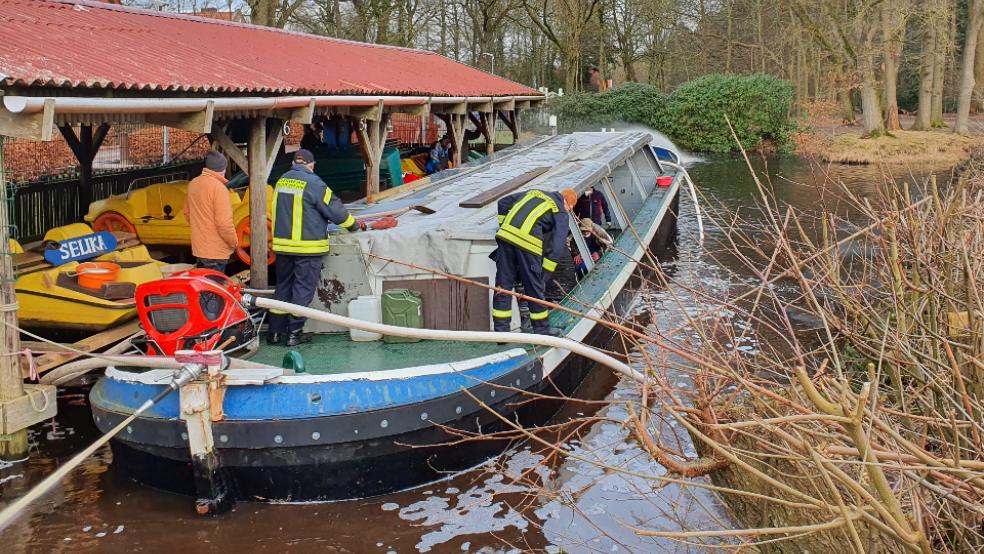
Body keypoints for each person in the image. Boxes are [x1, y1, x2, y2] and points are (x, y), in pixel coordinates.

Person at [267, 148, 366, 347]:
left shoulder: (281, 181)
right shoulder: (314, 183)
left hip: (283, 247)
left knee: (283, 288)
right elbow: (336, 211)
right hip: (307, 248)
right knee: (302, 290)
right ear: (311, 165)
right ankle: (294, 334)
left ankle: (275, 332)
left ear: (294, 163)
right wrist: (354, 225)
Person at [492, 187, 577, 336]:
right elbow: (557, 247)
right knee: (534, 287)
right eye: (570, 209)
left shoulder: (534, 193)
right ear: (568, 205)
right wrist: (544, 276)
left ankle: (501, 332)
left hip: (505, 237)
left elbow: (503, 203)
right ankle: (542, 330)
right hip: (528, 244)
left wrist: (504, 225)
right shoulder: (560, 211)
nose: (568, 211)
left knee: (503, 285)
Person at [184, 151, 238, 273]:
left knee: (203, 283)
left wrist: (201, 229)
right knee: (215, 284)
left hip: (199, 249)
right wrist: (234, 243)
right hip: (216, 252)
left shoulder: (193, 184)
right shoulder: (219, 188)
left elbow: (187, 213)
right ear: (223, 169)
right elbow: (223, 223)